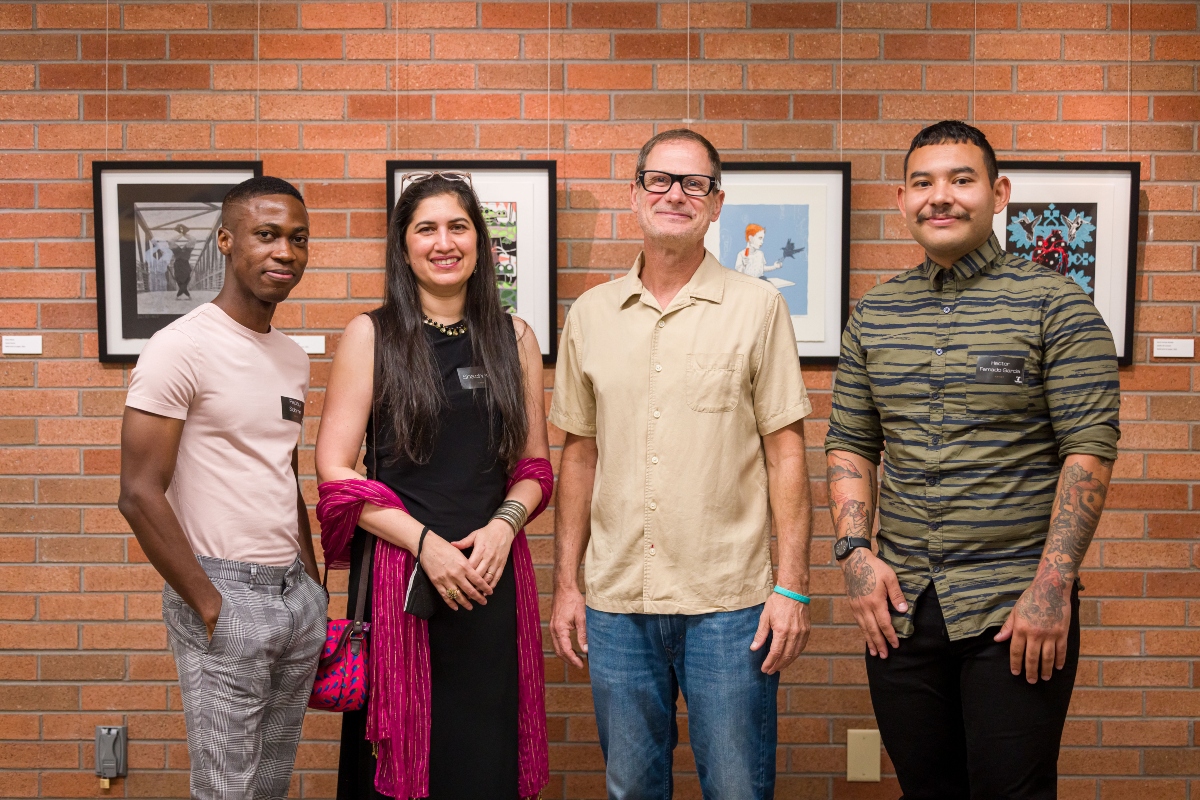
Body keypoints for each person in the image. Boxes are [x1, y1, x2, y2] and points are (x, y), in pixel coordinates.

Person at [825, 120, 1120, 799]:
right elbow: (850, 442)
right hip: (902, 609)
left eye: (962, 179)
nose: (942, 197)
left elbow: (1088, 452)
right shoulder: (873, 316)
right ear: (901, 199)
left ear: (998, 192)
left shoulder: (1058, 306)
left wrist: (1053, 585)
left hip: (1014, 609)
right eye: (924, 183)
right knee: (926, 790)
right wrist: (854, 555)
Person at [549, 129, 815, 800]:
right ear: (634, 195)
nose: (676, 195)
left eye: (694, 184)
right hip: (617, 603)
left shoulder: (758, 309)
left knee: (737, 789)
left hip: (731, 603)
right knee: (631, 789)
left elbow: (786, 452)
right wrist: (567, 586)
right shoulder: (591, 315)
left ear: (716, 203)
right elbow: (577, 456)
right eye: (661, 180)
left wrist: (791, 586)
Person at [314, 172, 552, 800]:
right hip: (402, 581)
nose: (444, 242)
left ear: (480, 241)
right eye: (427, 228)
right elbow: (336, 471)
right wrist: (427, 545)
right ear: (404, 244)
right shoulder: (372, 334)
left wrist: (504, 526)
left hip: (491, 579)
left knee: (484, 757)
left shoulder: (515, 338)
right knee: (401, 764)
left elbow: (535, 467)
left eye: (458, 226)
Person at [118, 176, 326, 800]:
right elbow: (138, 492)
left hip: (293, 595)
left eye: (297, 238)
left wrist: (313, 586)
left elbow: (282, 470)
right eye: (266, 235)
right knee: (225, 789)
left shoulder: (292, 356)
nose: (284, 252)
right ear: (227, 241)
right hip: (223, 590)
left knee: (270, 783)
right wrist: (210, 605)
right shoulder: (178, 348)